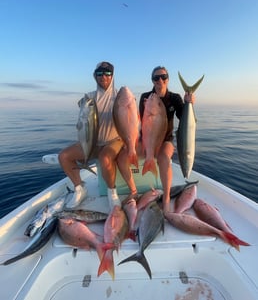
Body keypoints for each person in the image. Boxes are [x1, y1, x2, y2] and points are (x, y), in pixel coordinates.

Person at [117, 66, 195, 213]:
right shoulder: (146, 97)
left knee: (164, 158)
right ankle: (133, 191)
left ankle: (166, 199)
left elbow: (185, 118)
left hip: (165, 139)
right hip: (146, 138)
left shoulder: (175, 98)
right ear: (152, 80)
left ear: (168, 79)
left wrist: (189, 103)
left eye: (163, 77)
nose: (160, 80)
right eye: (156, 78)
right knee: (122, 157)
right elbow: (136, 121)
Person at [58, 61, 123, 210]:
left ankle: (112, 192)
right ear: (95, 76)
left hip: (113, 140)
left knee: (105, 158)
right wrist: (83, 106)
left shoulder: (119, 96)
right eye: (99, 73)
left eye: (107, 73)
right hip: (92, 142)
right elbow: (82, 112)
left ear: (112, 76)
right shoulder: (90, 97)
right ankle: (80, 188)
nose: (103, 76)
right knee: (64, 156)